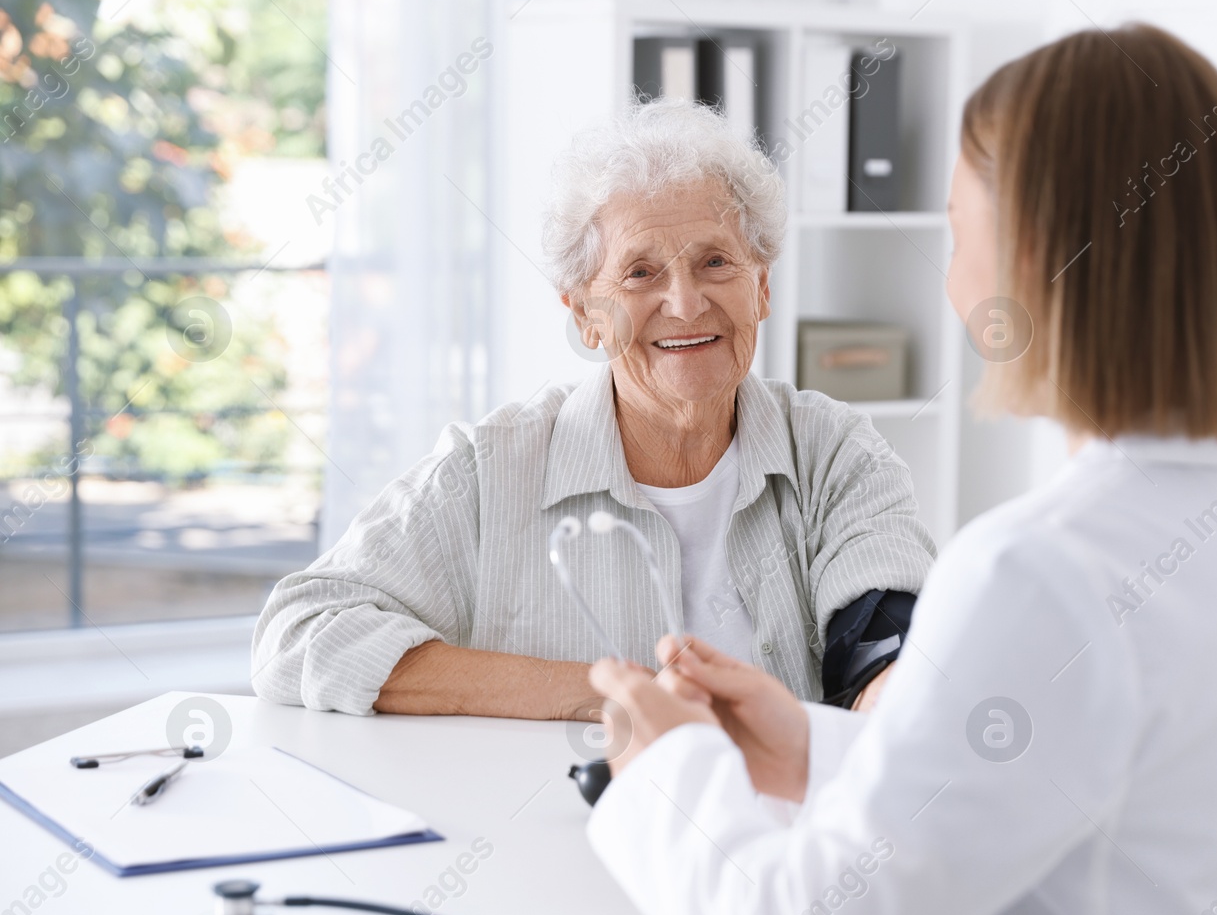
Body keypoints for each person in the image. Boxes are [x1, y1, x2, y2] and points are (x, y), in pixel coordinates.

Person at [585, 24, 1217, 915]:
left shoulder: (1044, 570)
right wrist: (815, 745)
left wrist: (667, 769)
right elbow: (1107, 779)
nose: (951, 277)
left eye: (960, 229)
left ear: (1036, 259)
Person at [251, 100, 935, 722]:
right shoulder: (489, 471)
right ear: (585, 315)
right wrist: (605, 691)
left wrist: (899, 702)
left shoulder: (836, 453)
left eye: (716, 262)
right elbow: (298, 631)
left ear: (761, 287)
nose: (687, 303)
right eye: (640, 273)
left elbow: (883, 641)